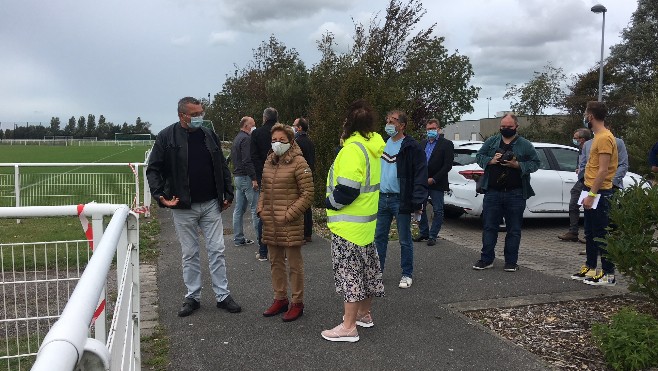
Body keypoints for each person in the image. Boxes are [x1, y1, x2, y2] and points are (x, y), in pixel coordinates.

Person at [146, 96, 241, 317]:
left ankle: (222, 295)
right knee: (190, 253)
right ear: (182, 115)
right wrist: (160, 196)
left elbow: (222, 166)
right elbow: (154, 169)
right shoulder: (166, 137)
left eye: (201, 113)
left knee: (217, 250)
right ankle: (193, 296)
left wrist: (228, 192)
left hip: (210, 204)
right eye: (195, 114)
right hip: (182, 206)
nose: (200, 118)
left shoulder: (209, 135)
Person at [321, 99, 385, 343]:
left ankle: (348, 327)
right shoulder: (373, 148)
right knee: (367, 272)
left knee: (350, 276)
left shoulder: (351, 150)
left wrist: (329, 203)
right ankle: (364, 315)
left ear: (349, 123)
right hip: (366, 225)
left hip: (348, 227)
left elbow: (347, 191)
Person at [258, 123, 314, 322]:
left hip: (289, 222)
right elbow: (264, 188)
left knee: (294, 265)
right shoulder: (269, 161)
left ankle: (297, 302)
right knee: (275, 262)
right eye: (274, 140)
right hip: (270, 221)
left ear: (290, 141)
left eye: (281, 140)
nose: (277, 144)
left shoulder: (299, 163)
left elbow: (308, 194)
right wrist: (261, 209)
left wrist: (289, 214)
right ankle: (280, 298)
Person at [472, 113, 540, 272]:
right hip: (493, 192)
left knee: (514, 229)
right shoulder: (492, 141)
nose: (505, 129)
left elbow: (535, 163)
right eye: (503, 127)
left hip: (515, 193)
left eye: (509, 127)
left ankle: (511, 262)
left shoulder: (525, 145)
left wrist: (517, 165)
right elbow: (479, 156)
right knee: (489, 227)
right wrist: (491, 160)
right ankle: (486, 259)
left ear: (516, 126)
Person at [374, 110, 428, 289]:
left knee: (404, 238)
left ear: (402, 125)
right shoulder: (382, 144)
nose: (389, 123)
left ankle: (406, 274)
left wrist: (418, 201)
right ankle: (377, 272)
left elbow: (420, 175)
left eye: (394, 121)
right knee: (379, 237)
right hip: (382, 198)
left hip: (401, 199)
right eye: (388, 120)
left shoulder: (411, 147)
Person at [570, 101, 618, 286]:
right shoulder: (597, 137)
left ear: (590, 116)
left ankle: (608, 273)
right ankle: (590, 267)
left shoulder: (605, 137)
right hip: (588, 188)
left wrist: (591, 194)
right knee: (589, 232)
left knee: (601, 233)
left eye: (585, 113)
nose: (585, 117)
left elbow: (603, 170)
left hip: (600, 192)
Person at [414, 118, 454, 246]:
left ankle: (433, 235)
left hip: (437, 182)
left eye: (433, 128)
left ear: (439, 129)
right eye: (428, 129)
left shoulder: (446, 144)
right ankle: (424, 232)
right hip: (422, 181)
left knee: (438, 210)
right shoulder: (422, 144)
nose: (431, 131)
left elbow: (447, 165)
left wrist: (434, 179)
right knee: (421, 208)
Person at [251, 107, 278, 261]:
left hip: (265, 179)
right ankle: (283, 252)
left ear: (264, 118)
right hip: (283, 178)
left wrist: (258, 177)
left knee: (264, 215)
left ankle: (263, 251)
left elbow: (253, 156)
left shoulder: (257, 133)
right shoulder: (284, 132)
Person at [557, 128, 592, 242]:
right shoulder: (581, 149)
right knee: (574, 204)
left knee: (589, 207)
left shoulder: (590, 148)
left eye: (576, 138)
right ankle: (573, 232)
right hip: (582, 179)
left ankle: (589, 235)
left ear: (582, 139)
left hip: (589, 180)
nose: (574, 140)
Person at [231, 116, 258, 246]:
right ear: (247, 126)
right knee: (256, 208)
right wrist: (254, 178)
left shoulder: (237, 138)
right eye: (253, 125)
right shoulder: (247, 139)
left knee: (239, 209)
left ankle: (238, 238)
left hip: (237, 177)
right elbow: (247, 160)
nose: (254, 127)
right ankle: (261, 241)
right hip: (247, 178)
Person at [293, 117, 316, 243]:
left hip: (299, 176)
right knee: (307, 205)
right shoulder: (310, 142)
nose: (293, 127)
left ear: (299, 128)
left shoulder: (296, 142)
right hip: (309, 174)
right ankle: (308, 233)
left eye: (295, 125)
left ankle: (301, 233)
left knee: (299, 204)